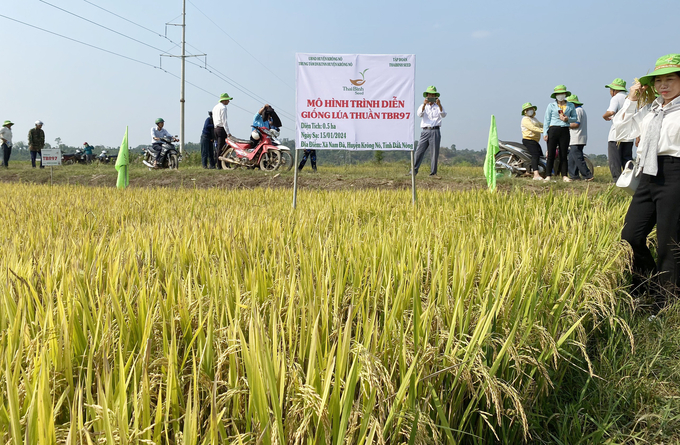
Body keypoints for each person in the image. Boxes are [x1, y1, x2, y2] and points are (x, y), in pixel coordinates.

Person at [612, 54, 680, 304]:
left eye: (670, 79)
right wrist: (631, 99)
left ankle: (665, 301)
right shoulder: (650, 111)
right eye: (659, 80)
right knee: (631, 234)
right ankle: (646, 285)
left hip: (675, 174)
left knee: (668, 242)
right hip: (646, 176)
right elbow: (620, 131)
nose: (664, 85)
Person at [409, 86, 446, 177]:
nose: (431, 96)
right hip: (425, 131)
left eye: (433, 95)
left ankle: (433, 173)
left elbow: (443, 115)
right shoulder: (423, 106)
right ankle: (413, 171)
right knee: (419, 151)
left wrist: (440, 105)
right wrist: (424, 105)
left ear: (435, 96)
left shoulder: (438, 106)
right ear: (427, 95)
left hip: (435, 130)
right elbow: (419, 114)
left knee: (434, 153)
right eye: (430, 95)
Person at [542, 85, 577, 182]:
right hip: (553, 129)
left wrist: (567, 119)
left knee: (563, 153)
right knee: (551, 153)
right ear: (555, 95)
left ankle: (564, 175)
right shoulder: (551, 106)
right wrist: (545, 132)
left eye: (562, 93)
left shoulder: (570, 105)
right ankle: (548, 175)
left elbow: (575, 118)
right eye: (558, 94)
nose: (560, 96)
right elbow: (546, 120)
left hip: (564, 130)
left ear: (565, 94)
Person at [603, 78, 634, 181]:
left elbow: (611, 112)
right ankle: (630, 180)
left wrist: (604, 116)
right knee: (627, 159)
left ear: (614, 90)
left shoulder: (616, 98)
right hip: (629, 134)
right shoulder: (630, 98)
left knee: (615, 160)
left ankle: (617, 180)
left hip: (616, 134)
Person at [566, 95, 593, 180]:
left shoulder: (577, 111)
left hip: (576, 138)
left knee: (578, 158)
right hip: (578, 138)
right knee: (572, 159)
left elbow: (576, 124)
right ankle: (574, 176)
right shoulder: (581, 110)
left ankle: (587, 175)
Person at [520, 102, 544, 180]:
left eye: (531, 109)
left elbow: (541, 124)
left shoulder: (534, 119)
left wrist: (549, 126)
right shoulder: (525, 119)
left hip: (535, 141)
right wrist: (543, 131)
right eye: (528, 110)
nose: (530, 110)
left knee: (540, 155)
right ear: (525, 112)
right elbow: (532, 128)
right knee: (535, 155)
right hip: (528, 140)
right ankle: (536, 174)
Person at [212, 93, 233, 166]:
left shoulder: (215, 107)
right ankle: (219, 164)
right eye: (227, 100)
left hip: (215, 128)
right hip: (221, 129)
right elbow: (224, 121)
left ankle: (218, 163)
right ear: (224, 100)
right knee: (221, 148)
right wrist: (228, 132)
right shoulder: (223, 108)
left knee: (218, 147)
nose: (228, 101)